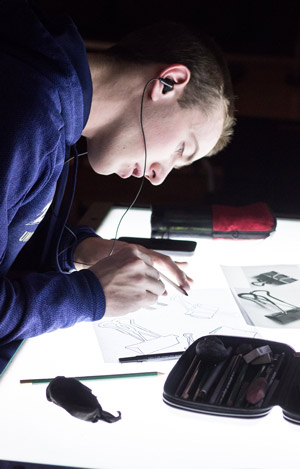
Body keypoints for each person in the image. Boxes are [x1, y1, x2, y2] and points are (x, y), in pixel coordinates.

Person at [0, 0, 235, 345]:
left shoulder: (47, 95)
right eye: (182, 148)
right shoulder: (29, 113)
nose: (158, 176)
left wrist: (82, 249)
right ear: (168, 83)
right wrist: (90, 295)